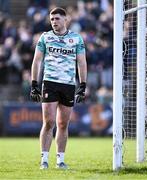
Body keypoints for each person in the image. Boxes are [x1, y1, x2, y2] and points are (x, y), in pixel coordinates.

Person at [30, 7, 87, 170]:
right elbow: (37, 61)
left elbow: (81, 62)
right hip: (49, 83)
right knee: (48, 122)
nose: (54, 22)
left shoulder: (76, 39)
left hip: (68, 84)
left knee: (63, 124)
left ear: (65, 19)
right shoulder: (45, 37)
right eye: (52, 19)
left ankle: (60, 160)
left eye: (57, 18)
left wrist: (82, 85)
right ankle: (44, 160)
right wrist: (34, 83)